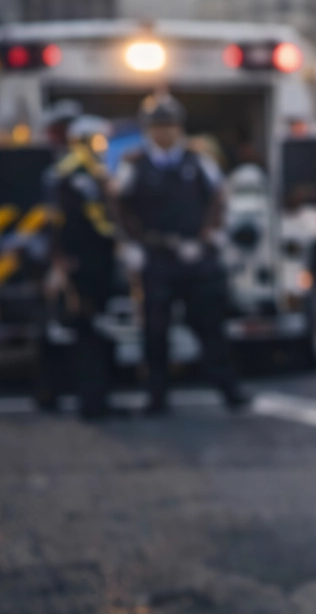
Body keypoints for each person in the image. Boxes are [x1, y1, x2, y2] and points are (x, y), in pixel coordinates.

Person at [115, 93, 249, 414]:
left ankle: (228, 388)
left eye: (171, 125)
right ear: (148, 130)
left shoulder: (197, 160)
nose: (165, 133)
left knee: (210, 325)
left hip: (195, 255)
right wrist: (131, 245)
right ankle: (156, 396)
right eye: (159, 126)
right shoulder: (135, 164)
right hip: (157, 255)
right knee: (155, 330)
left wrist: (209, 237)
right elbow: (118, 206)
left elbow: (218, 198)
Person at [45, 115, 118, 419]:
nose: (102, 147)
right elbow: (85, 222)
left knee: (88, 330)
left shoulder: (85, 171)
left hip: (88, 261)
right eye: (97, 140)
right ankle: (90, 402)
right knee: (85, 331)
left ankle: (86, 397)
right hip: (83, 264)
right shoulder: (76, 174)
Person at [35, 98, 85, 410]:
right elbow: (49, 218)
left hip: (72, 256)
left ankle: (68, 389)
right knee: (52, 329)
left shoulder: (77, 165)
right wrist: (55, 262)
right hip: (54, 257)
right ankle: (49, 392)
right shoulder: (53, 170)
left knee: (72, 328)